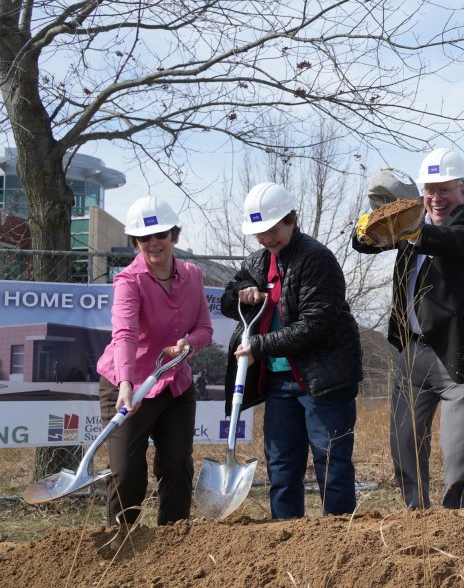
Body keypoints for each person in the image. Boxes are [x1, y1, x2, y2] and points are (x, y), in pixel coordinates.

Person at [353, 152, 464, 510]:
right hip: (413, 354)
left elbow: (452, 242)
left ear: (462, 189)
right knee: (404, 442)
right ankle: (416, 515)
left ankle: (459, 521)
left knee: (460, 450)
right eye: (429, 190)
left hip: (463, 351)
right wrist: (373, 218)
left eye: (444, 190)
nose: (435, 198)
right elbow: (364, 243)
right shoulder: (412, 221)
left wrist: (412, 228)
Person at [223, 181, 363, 518]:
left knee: (331, 463)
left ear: (292, 219)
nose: (267, 238)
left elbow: (316, 324)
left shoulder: (316, 259)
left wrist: (260, 345)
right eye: (259, 232)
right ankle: (285, 537)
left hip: (322, 381)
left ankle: (339, 538)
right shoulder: (258, 261)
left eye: (273, 229)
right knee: (282, 466)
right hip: (278, 384)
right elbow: (229, 299)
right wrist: (243, 290)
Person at [95, 197, 213, 535]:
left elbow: (204, 327)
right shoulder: (129, 281)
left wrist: (190, 345)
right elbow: (125, 334)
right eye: (144, 238)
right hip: (128, 385)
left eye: (160, 233)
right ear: (135, 242)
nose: (153, 243)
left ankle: (173, 541)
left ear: (174, 235)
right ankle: (122, 540)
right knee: (127, 470)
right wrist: (127, 384)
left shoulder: (192, 275)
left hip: (175, 382)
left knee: (177, 464)